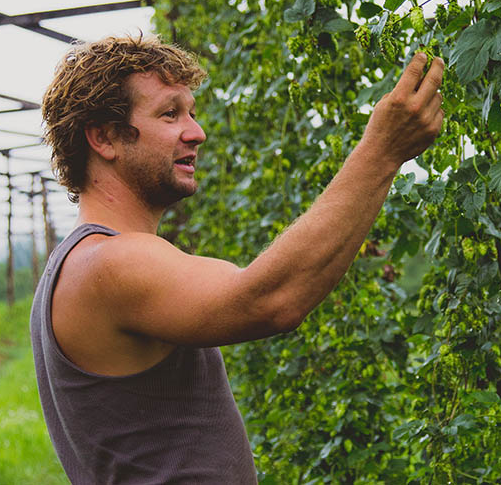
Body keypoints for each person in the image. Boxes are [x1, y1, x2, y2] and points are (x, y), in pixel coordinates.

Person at [30, 33, 444, 484]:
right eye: (170, 113)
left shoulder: (83, 262)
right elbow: (271, 299)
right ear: (104, 138)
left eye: (192, 111)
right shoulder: (109, 264)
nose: (196, 132)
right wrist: (383, 150)